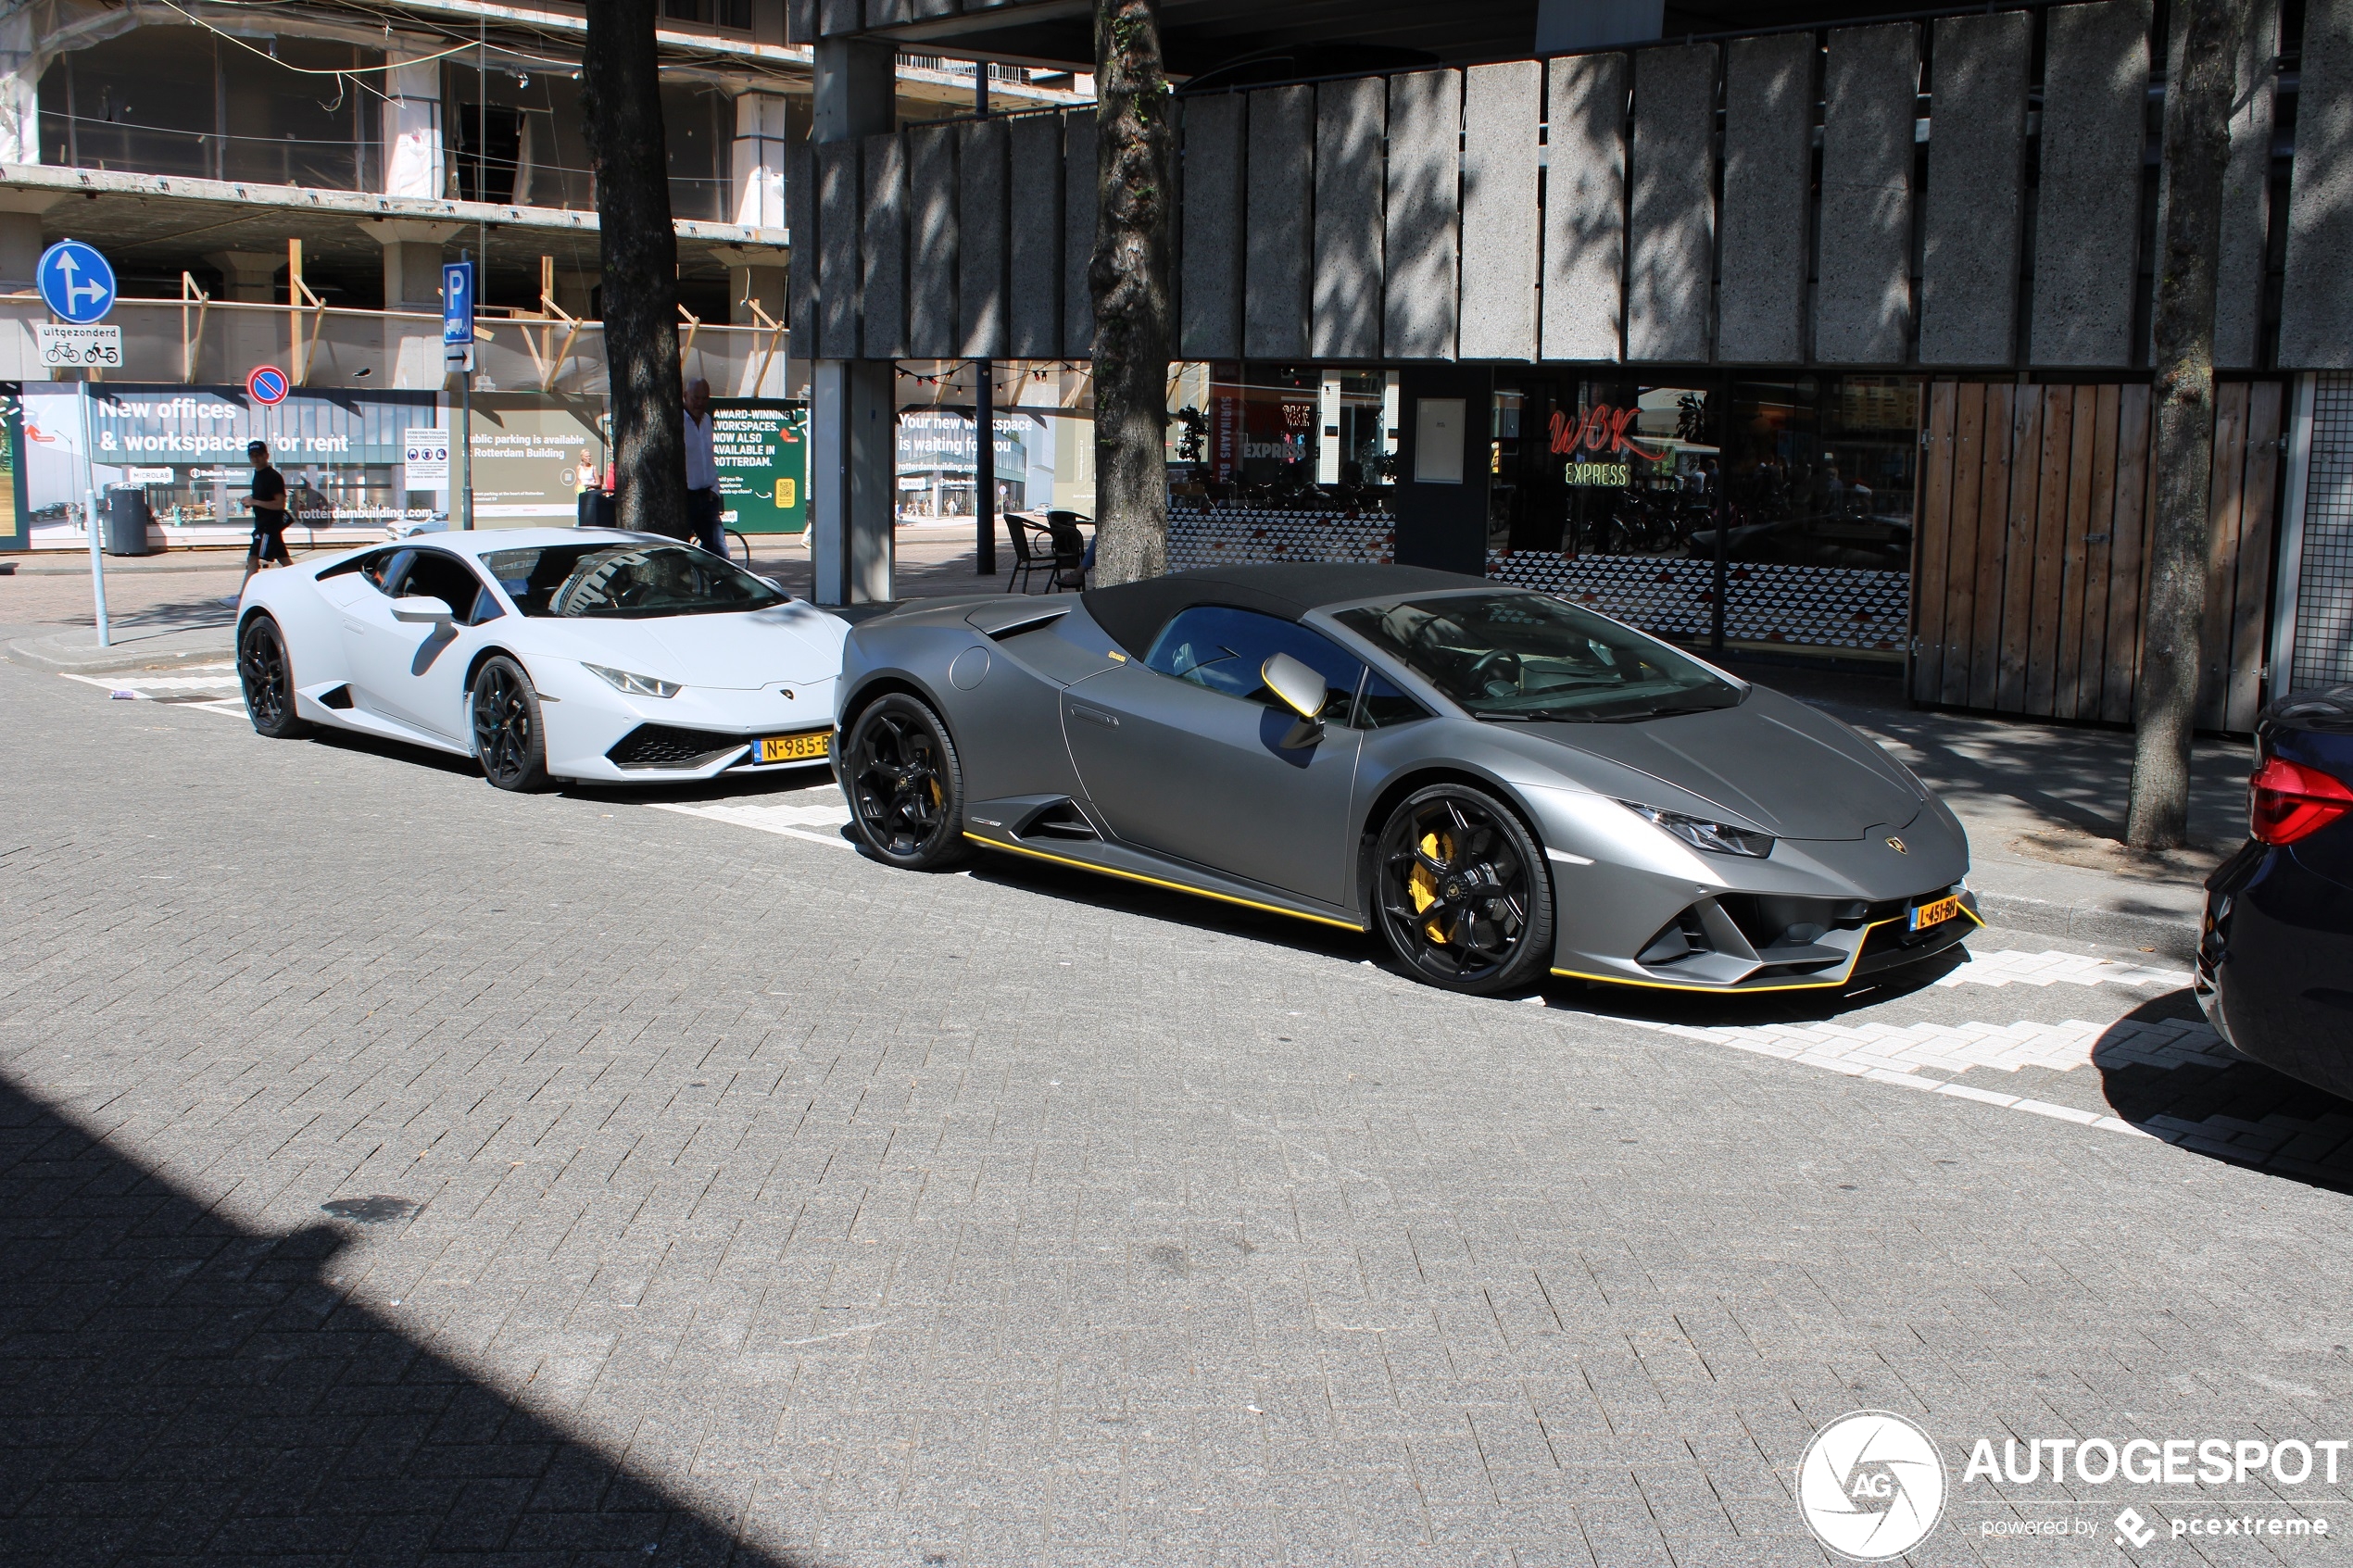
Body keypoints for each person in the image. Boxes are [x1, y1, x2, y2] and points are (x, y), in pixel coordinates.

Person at [237, 440, 289, 594]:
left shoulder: (272, 477)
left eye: (258, 455)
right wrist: (251, 500)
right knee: (285, 560)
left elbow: (279, 504)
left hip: (268, 527)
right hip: (264, 525)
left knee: (253, 559)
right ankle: (305, 587)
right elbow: (263, 497)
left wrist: (255, 501)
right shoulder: (258, 475)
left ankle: (242, 597)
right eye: (252, 455)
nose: (255, 458)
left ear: (266, 455)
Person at [682, 377, 724, 555]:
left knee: (720, 553)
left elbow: (709, 456)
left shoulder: (707, 420)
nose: (700, 402)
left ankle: (706, 580)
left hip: (707, 497)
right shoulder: (677, 421)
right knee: (681, 551)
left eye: (704, 398)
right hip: (686, 499)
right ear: (685, 396)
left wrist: (715, 489)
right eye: (695, 398)